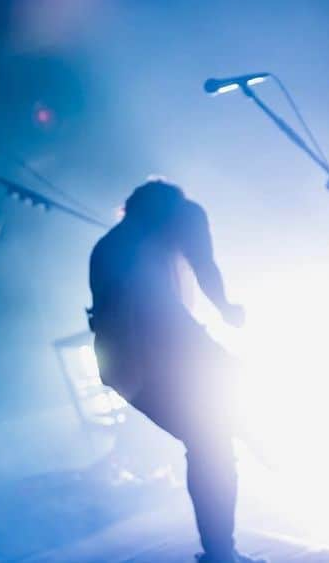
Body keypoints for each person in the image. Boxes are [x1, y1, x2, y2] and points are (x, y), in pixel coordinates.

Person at [87, 179, 264, 563]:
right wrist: (227, 318)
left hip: (126, 367)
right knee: (212, 440)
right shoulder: (154, 240)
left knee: (209, 440)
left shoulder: (113, 245)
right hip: (147, 363)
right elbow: (189, 289)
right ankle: (220, 552)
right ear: (174, 219)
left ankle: (220, 551)